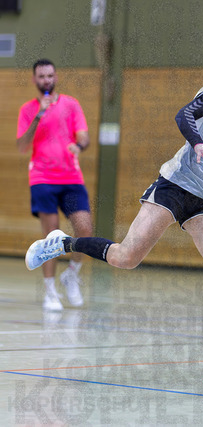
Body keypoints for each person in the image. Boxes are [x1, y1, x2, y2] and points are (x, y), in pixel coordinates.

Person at [25, 39, 203, 386]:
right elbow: (183, 115)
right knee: (126, 257)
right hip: (175, 184)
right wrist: (198, 144)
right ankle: (63, 243)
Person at [17, 58, 93, 311]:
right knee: (50, 237)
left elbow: (84, 136)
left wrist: (78, 145)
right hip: (42, 178)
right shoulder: (28, 109)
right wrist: (39, 115)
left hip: (71, 178)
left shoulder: (71, 104)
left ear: (55, 77)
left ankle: (72, 273)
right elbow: (22, 145)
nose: (46, 80)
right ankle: (50, 290)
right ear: (34, 80)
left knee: (85, 229)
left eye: (50, 75)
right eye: (41, 76)